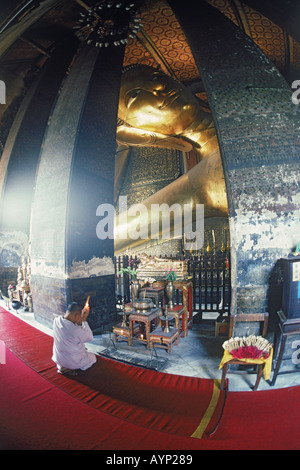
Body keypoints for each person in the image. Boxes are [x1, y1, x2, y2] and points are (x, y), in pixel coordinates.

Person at [52, 302, 96, 375]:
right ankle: (69, 368)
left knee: (77, 343)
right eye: (80, 316)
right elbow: (89, 338)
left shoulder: (56, 320)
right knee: (93, 358)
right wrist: (84, 320)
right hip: (73, 361)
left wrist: (80, 320)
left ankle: (63, 366)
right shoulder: (75, 330)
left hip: (59, 359)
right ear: (76, 315)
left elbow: (71, 330)